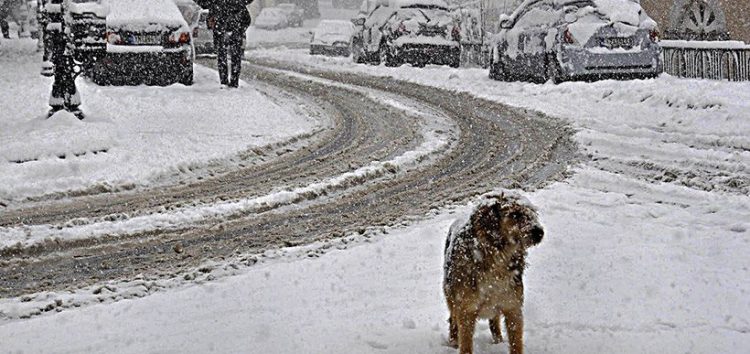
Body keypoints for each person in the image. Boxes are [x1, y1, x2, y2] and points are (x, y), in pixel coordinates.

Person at [197, 0, 253, 88]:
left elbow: (204, 4)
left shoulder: (216, 4)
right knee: (235, 56)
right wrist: (240, 30)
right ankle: (234, 82)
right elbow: (247, 19)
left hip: (221, 28)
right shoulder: (238, 5)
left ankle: (224, 81)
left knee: (222, 56)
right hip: (233, 28)